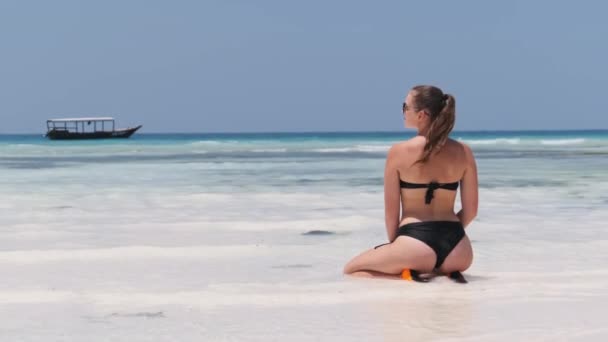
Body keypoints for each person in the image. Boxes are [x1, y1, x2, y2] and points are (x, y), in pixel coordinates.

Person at [343, 85, 478, 281]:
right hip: (459, 249)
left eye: (405, 107)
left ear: (422, 115)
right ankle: (446, 273)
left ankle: (409, 275)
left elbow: (391, 215)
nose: (403, 112)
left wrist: (398, 249)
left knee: (351, 270)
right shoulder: (464, 152)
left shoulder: (398, 152)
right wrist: (449, 235)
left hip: (414, 243)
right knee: (432, 266)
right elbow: (471, 210)